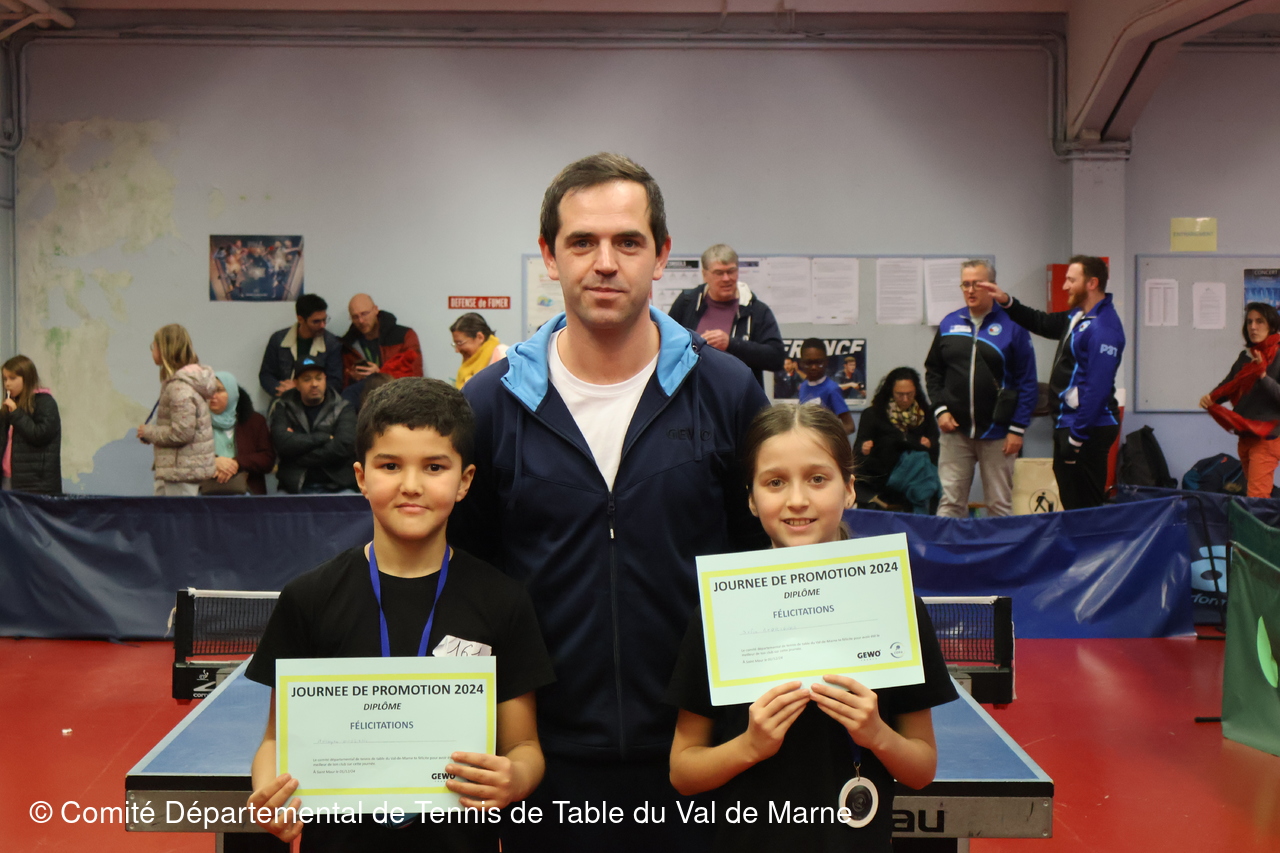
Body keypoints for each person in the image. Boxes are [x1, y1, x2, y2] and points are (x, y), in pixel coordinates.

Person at [453, 153, 769, 853]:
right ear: (549, 255)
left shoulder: (727, 391)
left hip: (703, 758)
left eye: (627, 241)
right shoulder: (490, 404)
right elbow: (467, 581)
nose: (604, 263)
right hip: (543, 765)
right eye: (581, 242)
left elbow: (768, 558)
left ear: (660, 255)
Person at [245, 378, 555, 850]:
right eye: (390, 465)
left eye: (435, 467)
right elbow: (275, 740)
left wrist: (516, 779)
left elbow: (523, 746)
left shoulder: (502, 601)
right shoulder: (308, 598)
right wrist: (270, 792)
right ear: (361, 476)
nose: (411, 485)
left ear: (465, 480)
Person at [667, 402, 957, 852]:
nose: (797, 500)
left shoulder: (892, 604)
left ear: (850, 489)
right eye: (775, 482)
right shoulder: (721, 610)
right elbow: (683, 771)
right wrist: (749, 746)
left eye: (818, 479)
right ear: (751, 498)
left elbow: (921, 769)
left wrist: (876, 734)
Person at [978, 256, 1124, 510]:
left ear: (1092, 283)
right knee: (1072, 503)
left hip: (1088, 429)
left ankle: (1088, 539)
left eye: (1071, 280)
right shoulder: (1079, 316)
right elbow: (1042, 322)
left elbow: (1097, 389)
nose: (1065, 286)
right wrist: (1006, 301)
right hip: (1070, 423)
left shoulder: (1104, 328)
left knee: (1084, 508)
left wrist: (1076, 438)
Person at [925, 260, 1038, 518]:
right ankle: (949, 546)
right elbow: (933, 372)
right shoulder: (949, 323)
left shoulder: (1013, 325)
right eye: (965, 284)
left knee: (999, 504)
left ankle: (1001, 547)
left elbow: (1028, 381)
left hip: (999, 434)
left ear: (992, 286)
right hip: (955, 432)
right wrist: (940, 410)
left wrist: (1017, 428)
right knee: (950, 503)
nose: (970, 290)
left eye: (977, 284)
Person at [666, 243, 785, 387]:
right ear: (705, 275)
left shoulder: (756, 310)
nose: (726, 278)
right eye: (719, 273)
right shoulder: (687, 303)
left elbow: (776, 358)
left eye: (731, 271)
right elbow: (667, 346)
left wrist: (731, 344)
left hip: (739, 396)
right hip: (693, 394)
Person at [1199, 302, 1280, 497]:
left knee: (1257, 497)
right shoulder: (1246, 357)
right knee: (1253, 495)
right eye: (1249, 322)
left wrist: (1262, 376)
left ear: (1271, 325)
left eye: (1259, 321)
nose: (1253, 327)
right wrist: (1211, 398)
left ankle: (1259, 519)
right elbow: (1228, 386)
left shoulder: (1278, 355)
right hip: (1245, 435)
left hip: (1267, 438)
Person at [138, 324, 217, 496]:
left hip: (180, 473)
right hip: (178, 469)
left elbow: (182, 433)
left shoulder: (179, 388)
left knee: (179, 514)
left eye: (154, 346)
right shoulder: (182, 384)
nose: (152, 351)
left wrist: (149, 432)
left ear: (165, 349)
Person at [855, 367, 940, 511]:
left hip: (916, 478)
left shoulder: (925, 415)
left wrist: (930, 444)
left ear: (916, 392)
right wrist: (864, 448)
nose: (905, 399)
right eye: (900, 394)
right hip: (881, 481)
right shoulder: (873, 414)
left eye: (909, 394)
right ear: (891, 392)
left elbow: (937, 450)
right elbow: (857, 451)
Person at [269, 356, 357, 494]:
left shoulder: (343, 408)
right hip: (294, 488)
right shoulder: (283, 407)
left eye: (318, 378)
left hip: (338, 486)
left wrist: (297, 457)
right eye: (307, 379)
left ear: (325, 379)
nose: (314, 384)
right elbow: (282, 443)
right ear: (296, 384)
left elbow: (343, 446)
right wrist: (324, 437)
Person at [201, 372, 275, 495]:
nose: (213, 396)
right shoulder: (197, 423)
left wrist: (236, 463)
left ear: (232, 393)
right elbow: (187, 456)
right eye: (209, 391)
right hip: (205, 490)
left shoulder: (255, 421)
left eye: (219, 390)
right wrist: (213, 462)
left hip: (248, 491)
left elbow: (267, 459)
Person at [259, 293, 343, 398]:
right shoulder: (278, 339)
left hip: (318, 401)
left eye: (324, 320)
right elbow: (266, 375)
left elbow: (335, 383)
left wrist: (298, 388)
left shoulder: (331, 343)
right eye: (316, 321)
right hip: (284, 399)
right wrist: (280, 389)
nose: (322, 325)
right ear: (300, 319)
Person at [0, 354, 61, 495]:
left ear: (27, 378)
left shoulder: (45, 403)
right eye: (5, 379)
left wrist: (16, 414)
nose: (7, 384)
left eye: (12, 378)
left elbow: (39, 435)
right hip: (8, 478)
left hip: (36, 483)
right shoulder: (9, 406)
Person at [340, 293, 423, 396]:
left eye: (364, 314)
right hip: (364, 398)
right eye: (355, 317)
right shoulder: (348, 344)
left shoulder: (404, 335)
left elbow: (416, 378)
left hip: (399, 397)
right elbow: (344, 384)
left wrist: (380, 374)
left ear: (376, 310)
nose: (361, 321)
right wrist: (353, 378)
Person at [797, 337, 854, 434]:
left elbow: (849, 426)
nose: (814, 367)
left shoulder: (831, 389)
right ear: (801, 363)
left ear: (826, 362)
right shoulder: (803, 386)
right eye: (809, 363)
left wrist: (826, 437)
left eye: (819, 363)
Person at [450, 313, 508, 389]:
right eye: (455, 344)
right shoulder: (470, 362)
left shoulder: (504, 356)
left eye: (460, 343)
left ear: (480, 337)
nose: (457, 350)